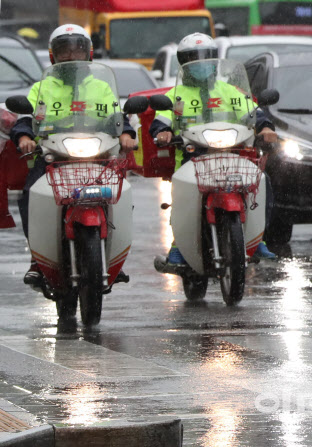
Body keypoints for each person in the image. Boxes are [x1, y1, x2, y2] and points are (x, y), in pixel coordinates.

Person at [10, 24, 137, 286]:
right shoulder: (41, 88)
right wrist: (23, 137)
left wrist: (126, 134)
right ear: (52, 56)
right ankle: (38, 257)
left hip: (96, 156)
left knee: (121, 193)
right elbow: (25, 118)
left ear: (88, 53)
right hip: (53, 159)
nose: (70, 56)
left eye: (76, 50)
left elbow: (117, 116)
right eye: (64, 51)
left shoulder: (101, 87)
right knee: (29, 196)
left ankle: (112, 256)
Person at [150, 33, 278, 265]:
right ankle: (178, 245)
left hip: (232, 154)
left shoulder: (230, 91)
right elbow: (161, 121)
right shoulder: (175, 95)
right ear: (183, 63)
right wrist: (163, 132)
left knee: (262, 181)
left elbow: (254, 113)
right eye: (193, 58)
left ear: (215, 59)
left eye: (206, 57)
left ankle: (257, 238)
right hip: (193, 158)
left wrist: (265, 128)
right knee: (182, 193)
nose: (200, 63)